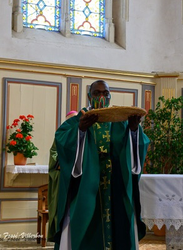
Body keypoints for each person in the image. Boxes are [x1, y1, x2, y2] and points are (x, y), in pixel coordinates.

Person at [53, 80, 149, 250]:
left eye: (105, 93)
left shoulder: (121, 121)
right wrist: (80, 131)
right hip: (86, 187)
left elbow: (138, 149)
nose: (101, 97)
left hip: (115, 187)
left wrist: (133, 131)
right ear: (89, 96)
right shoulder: (79, 120)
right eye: (97, 93)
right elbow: (62, 141)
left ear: (110, 96)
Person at [47, 110, 78, 243]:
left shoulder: (82, 133)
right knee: (64, 210)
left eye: (74, 120)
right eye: (69, 120)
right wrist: (63, 161)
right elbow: (54, 152)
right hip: (63, 178)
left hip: (78, 177)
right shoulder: (61, 135)